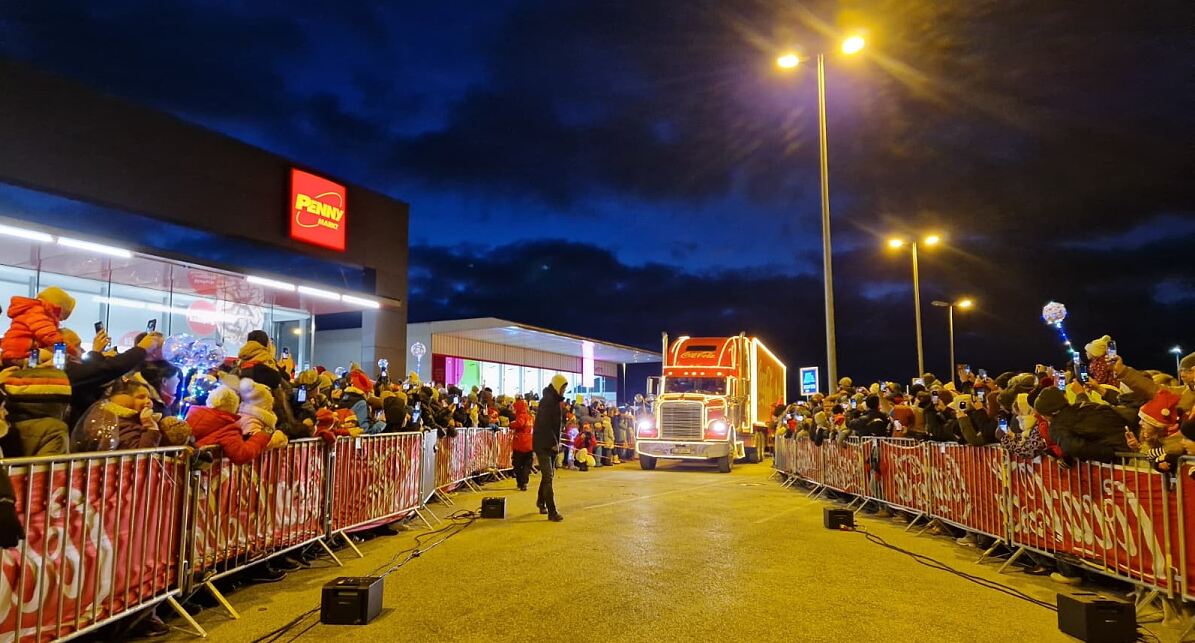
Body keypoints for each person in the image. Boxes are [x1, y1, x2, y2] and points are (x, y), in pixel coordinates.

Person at [533, 373, 567, 522]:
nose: (564, 391)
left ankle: (541, 502)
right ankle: (552, 511)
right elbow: (545, 425)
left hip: (549, 444)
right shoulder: (548, 401)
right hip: (543, 444)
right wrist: (554, 442)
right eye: (563, 388)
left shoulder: (554, 401)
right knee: (548, 476)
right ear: (557, 386)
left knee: (548, 475)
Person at [510, 398, 534, 491]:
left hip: (520, 444)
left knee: (517, 464)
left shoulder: (521, 416)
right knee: (527, 465)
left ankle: (521, 482)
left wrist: (511, 424)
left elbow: (519, 424)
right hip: (529, 444)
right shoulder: (530, 417)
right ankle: (524, 482)